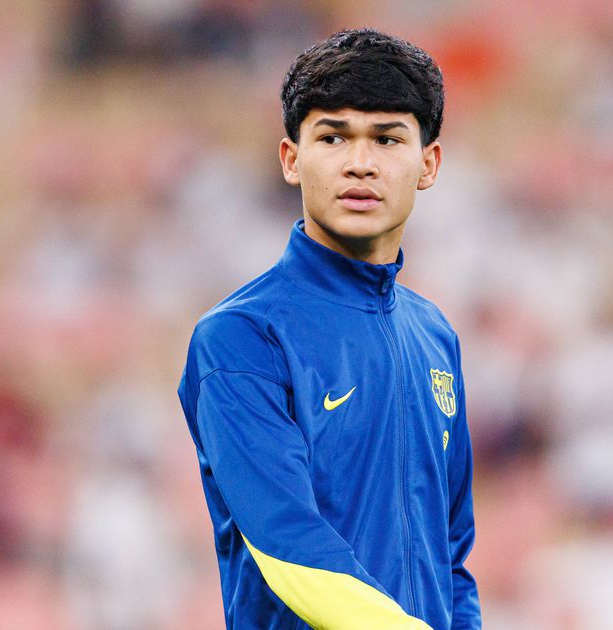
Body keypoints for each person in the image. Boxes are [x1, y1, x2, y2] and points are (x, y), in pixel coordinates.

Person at [177, 28, 480, 629]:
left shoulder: (434, 335)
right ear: (292, 159)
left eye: (387, 138)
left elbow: (451, 558)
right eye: (333, 136)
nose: (360, 163)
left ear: (428, 163)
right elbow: (292, 553)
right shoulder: (241, 338)